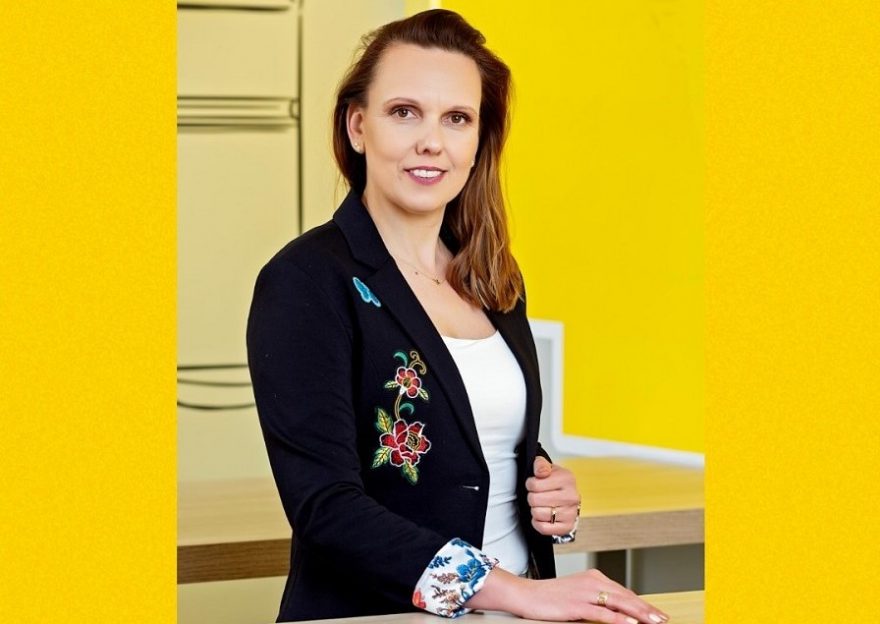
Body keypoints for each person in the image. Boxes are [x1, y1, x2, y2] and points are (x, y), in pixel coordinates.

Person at [247, 9, 669, 624]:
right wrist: (514, 591)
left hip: (517, 612)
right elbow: (326, 507)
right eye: (404, 112)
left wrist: (547, 486)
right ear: (358, 125)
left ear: (478, 139)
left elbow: (470, 436)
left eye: (457, 118)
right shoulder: (306, 281)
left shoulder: (493, 275)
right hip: (381, 615)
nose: (432, 142)